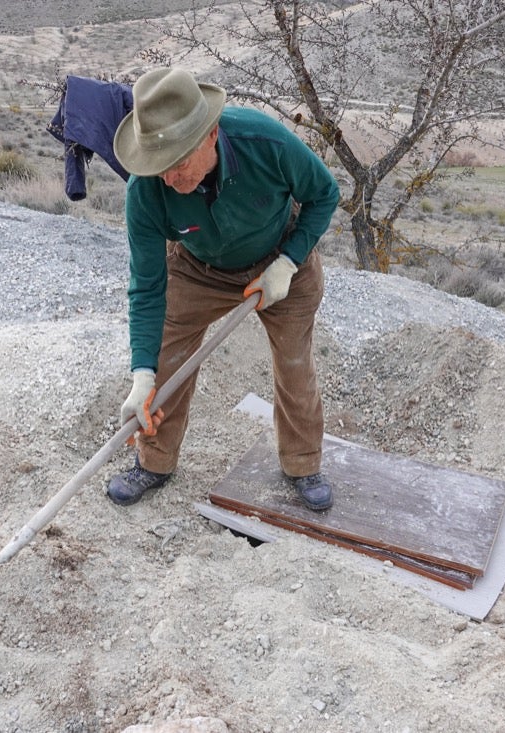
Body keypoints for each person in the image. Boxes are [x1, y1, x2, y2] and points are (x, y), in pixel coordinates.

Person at [107, 67, 340, 512]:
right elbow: (148, 285)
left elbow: (325, 194)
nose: (170, 180)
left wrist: (288, 263)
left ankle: (302, 464)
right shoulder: (145, 191)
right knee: (166, 359)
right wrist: (141, 375)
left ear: (211, 135)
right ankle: (154, 462)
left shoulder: (265, 142)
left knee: (294, 362)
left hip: (280, 257)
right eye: (159, 169)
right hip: (198, 268)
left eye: (178, 164)